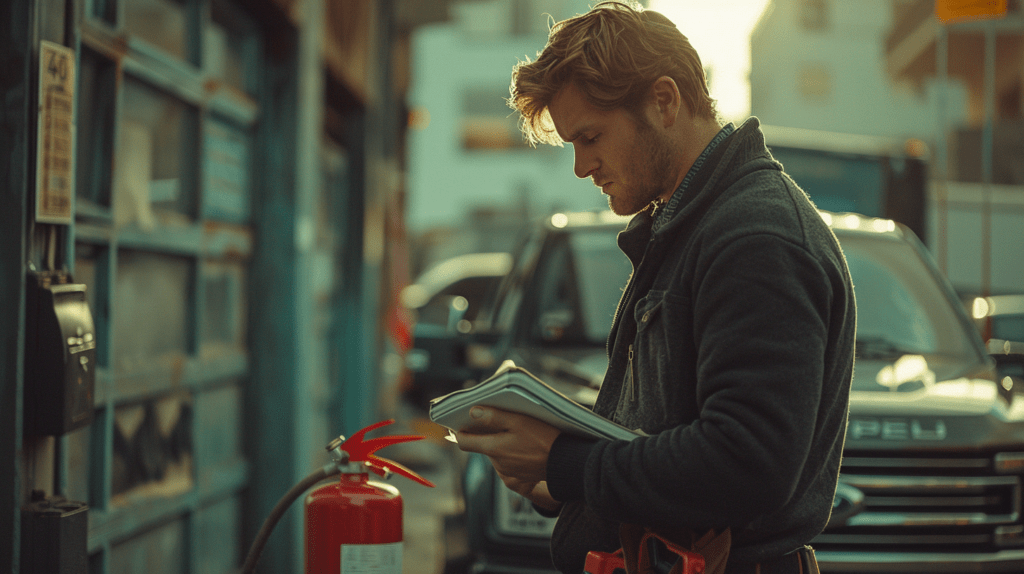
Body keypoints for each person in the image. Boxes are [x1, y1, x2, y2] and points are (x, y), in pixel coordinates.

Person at [453, 2, 856, 573]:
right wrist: (559, 483)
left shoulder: (755, 238)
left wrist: (566, 464)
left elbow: (747, 463)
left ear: (664, 101)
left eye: (591, 136)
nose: (581, 166)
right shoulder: (694, 225)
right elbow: (666, 436)